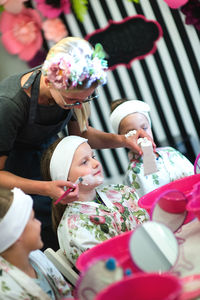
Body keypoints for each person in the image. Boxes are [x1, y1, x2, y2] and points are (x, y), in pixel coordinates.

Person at [0, 37, 154, 250]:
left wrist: (123, 141)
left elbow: (83, 134)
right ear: (48, 82)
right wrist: (45, 188)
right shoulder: (9, 105)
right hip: (15, 177)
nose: (79, 105)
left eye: (85, 99)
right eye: (73, 101)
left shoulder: (70, 86)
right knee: (50, 239)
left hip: (50, 162)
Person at [40, 135, 149, 266]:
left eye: (93, 157)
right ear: (66, 179)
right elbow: (108, 271)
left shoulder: (122, 191)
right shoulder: (74, 227)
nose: (96, 163)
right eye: (84, 162)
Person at [110, 99, 194, 198]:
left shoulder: (170, 152)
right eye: (131, 132)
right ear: (122, 138)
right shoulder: (132, 174)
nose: (142, 135)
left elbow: (194, 177)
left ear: (150, 127)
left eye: (144, 128)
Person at [0, 186, 73, 300]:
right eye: (33, 219)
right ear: (16, 233)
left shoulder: (36, 255)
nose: (39, 223)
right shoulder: (7, 292)